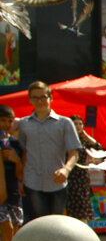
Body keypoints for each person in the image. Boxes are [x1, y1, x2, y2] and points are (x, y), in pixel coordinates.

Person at [14, 81, 82, 221]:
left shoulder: (64, 123)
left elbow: (74, 152)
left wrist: (66, 169)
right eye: (35, 98)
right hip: (32, 181)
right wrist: (21, 179)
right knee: (39, 223)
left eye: (43, 97)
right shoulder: (24, 124)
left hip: (57, 182)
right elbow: (25, 152)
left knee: (56, 223)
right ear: (30, 100)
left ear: (50, 98)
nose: (39, 101)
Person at [0, 104, 23, 241]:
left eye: (9, 120)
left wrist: (15, 160)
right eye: (3, 120)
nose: (6, 124)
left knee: (14, 232)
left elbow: (21, 174)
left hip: (14, 194)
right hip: (0, 195)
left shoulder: (15, 143)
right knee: (6, 230)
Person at [65, 115, 99, 221]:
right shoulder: (65, 139)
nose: (78, 126)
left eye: (80, 124)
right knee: (70, 205)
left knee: (83, 205)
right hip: (70, 174)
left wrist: (86, 135)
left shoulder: (84, 141)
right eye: (75, 124)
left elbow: (98, 148)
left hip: (82, 176)